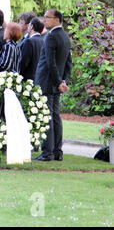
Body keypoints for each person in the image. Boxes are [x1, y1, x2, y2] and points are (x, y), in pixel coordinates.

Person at [34, 9, 72, 161]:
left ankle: (47, 152)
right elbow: (69, 64)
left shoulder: (51, 37)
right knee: (55, 116)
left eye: (47, 17)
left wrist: (58, 82)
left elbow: (51, 63)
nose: (44, 20)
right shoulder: (65, 37)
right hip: (56, 83)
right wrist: (64, 82)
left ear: (57, 20)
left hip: (47, 83)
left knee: (47, 117)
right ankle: (57, 151)